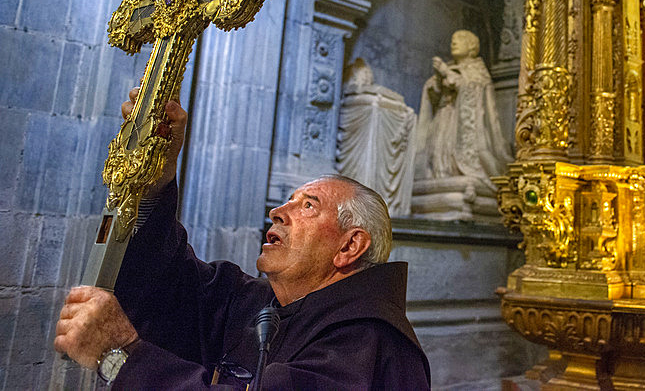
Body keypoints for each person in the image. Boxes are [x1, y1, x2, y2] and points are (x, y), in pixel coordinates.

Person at [54, 89, 431, 389]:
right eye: (288, 199)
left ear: (349, 247)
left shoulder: (369, 341)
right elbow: (169, 285)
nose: (278, 211)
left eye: (309, 205)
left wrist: (120, 358)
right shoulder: (255, 300)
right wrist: (158, 181)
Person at [413, 30, 512, 189]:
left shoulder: (477, 70)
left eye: (460, 39)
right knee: (437, 153)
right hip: (443, 118)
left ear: (472, 46)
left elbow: (472, 90)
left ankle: (455, 173)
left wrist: (447, 73)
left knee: (455, 156)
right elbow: (433, 97)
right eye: (452, 40)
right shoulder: (449, 67)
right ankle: (440, 175)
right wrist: (439, 79)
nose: (454, 42)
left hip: (462, 125)